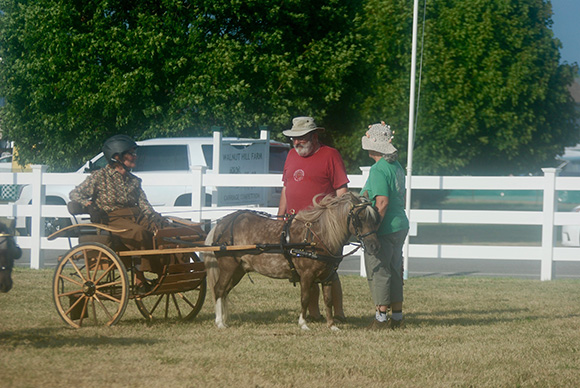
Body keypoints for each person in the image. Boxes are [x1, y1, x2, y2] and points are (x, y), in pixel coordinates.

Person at [69, 135, 166, 293]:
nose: (135, 156)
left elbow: (143, 203)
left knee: (162, 230)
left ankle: (165, 270)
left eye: (134, 153)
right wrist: (88, 205)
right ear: (117, 157)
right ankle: (139, 278)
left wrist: (155, 217)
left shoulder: (134, 180)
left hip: (136, 216)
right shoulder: (99, 177)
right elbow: (75, 193)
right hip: (113, 219)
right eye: (131, 153)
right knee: (139, 233)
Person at [278, 116, 349, 322]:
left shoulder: (330, 155)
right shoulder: (291, 155)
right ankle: (314, 314)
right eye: (294, 139)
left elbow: (341, 190)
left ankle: (338, 313)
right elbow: (286, 188)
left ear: (314, 136)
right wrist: (280, 216)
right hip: (295, 224)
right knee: (304, 270)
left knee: (328, 271)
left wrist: (340, 221)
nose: (297, 142)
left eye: (301, 138)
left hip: (322, 225)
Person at [360, 121, 409, 330]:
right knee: (394, 270)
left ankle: (380, 319)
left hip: (385, 227)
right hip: (400, 224)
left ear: (374, 147)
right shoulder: (396, 166)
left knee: (379, 270)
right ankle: (396, 318)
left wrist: (374, 230)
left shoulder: (378, 169)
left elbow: (382, 202)